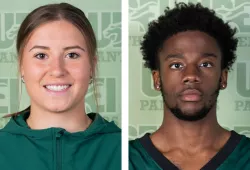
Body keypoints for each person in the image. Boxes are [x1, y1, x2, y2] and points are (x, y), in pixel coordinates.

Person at [129, 2, 250, 170]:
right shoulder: (126, 159)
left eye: (205, 64)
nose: (191, 75)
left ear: (223, 77)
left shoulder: (246, 157)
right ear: (157, 79)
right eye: (176, 65)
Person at [0, 3, 121, 170]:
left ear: (92, 66)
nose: (57, 70)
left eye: (72, 55)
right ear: (22, 66)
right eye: (41, 55)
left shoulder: (126, 154)